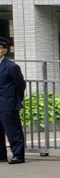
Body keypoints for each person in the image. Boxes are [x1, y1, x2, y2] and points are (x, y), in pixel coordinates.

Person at [0, 37, 27, 165]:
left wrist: (16, 99)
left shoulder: (11, 66)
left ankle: (18, 155)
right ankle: (1, 155)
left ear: (4, 50)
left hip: (8, 102)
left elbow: (20, 84)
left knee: (12, 130)